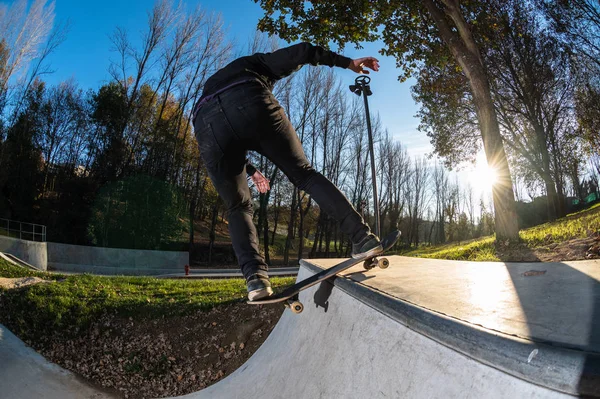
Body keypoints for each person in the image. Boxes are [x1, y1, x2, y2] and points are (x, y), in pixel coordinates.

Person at [193, 42, 382, 301]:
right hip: (249, 97)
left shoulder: (211, 86)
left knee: (237, 207)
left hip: (204, 122)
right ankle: (362, 238)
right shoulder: (258, 64)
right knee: (304, 174)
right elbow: (303, 51)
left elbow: (227, 129)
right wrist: (347, 62)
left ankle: (256, 279)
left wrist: (251, 170)